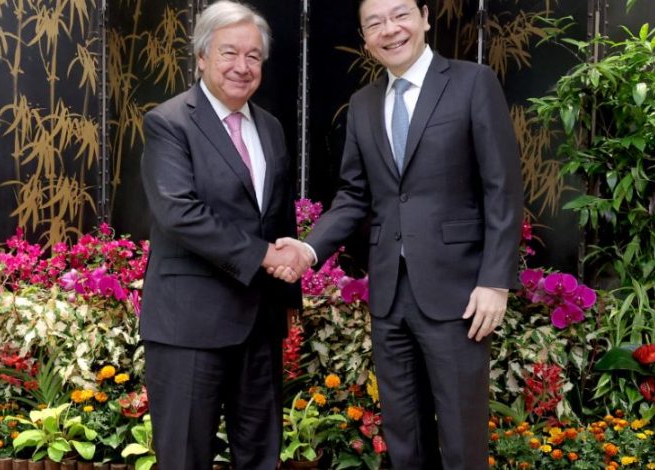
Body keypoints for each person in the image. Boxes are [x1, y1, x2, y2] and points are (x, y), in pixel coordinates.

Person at [273, 0, 523, 468]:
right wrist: (309, 248)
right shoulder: (365, 104)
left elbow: (502, 188)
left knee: (462, 439)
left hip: (459, 294)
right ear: (365, 37)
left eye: (400, 14)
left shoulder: (472, 83)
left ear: (425, 17)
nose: (390, 30)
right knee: (403, 437)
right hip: (389, 296)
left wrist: (495, 282)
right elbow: (353, 196)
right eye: (375, 23)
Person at [138, 2, 309, 469]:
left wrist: (288, 294)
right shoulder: (169, 122)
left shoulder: (270, 127)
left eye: (253, 56)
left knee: (260, 456)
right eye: (229, 52)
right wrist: (264, 257)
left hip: (259, 322)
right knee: (185, 457)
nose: (242, 66)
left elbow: (277, 218)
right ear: (201, 56)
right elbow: (179, 212)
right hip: (188, 324)